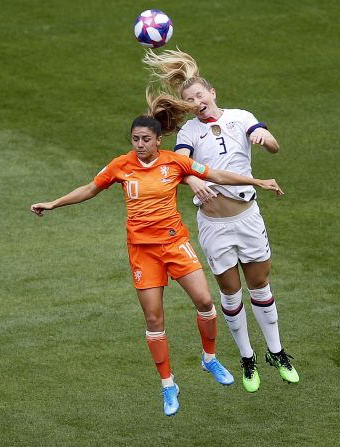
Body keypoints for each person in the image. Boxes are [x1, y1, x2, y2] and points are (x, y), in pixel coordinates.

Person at [30, 115, 284, 416]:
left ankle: (209, 358)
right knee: (154, 319)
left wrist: (257, 181)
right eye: (135, 139)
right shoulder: (120, 166)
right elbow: (89, 189)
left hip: (175, 244)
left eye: (145, 139)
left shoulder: (175, 162)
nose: (139, 145)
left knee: (205, 301)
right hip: (142, 252)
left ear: (157, 140)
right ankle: (168, 385)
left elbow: (216, 174)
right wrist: (54, 203)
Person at [142, 48, 300, 393]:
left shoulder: (242, 117)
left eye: (200, 95)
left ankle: (277, 351)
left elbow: (273, 146)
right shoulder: (188, 135)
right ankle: (247, 358)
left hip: (248, 217)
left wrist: (265, 138)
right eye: (189, 99)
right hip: (214, 226)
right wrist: (192, 179)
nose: (197, 101)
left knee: (260, 285)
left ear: (212, 94)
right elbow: (179, 166)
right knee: (230, 293)